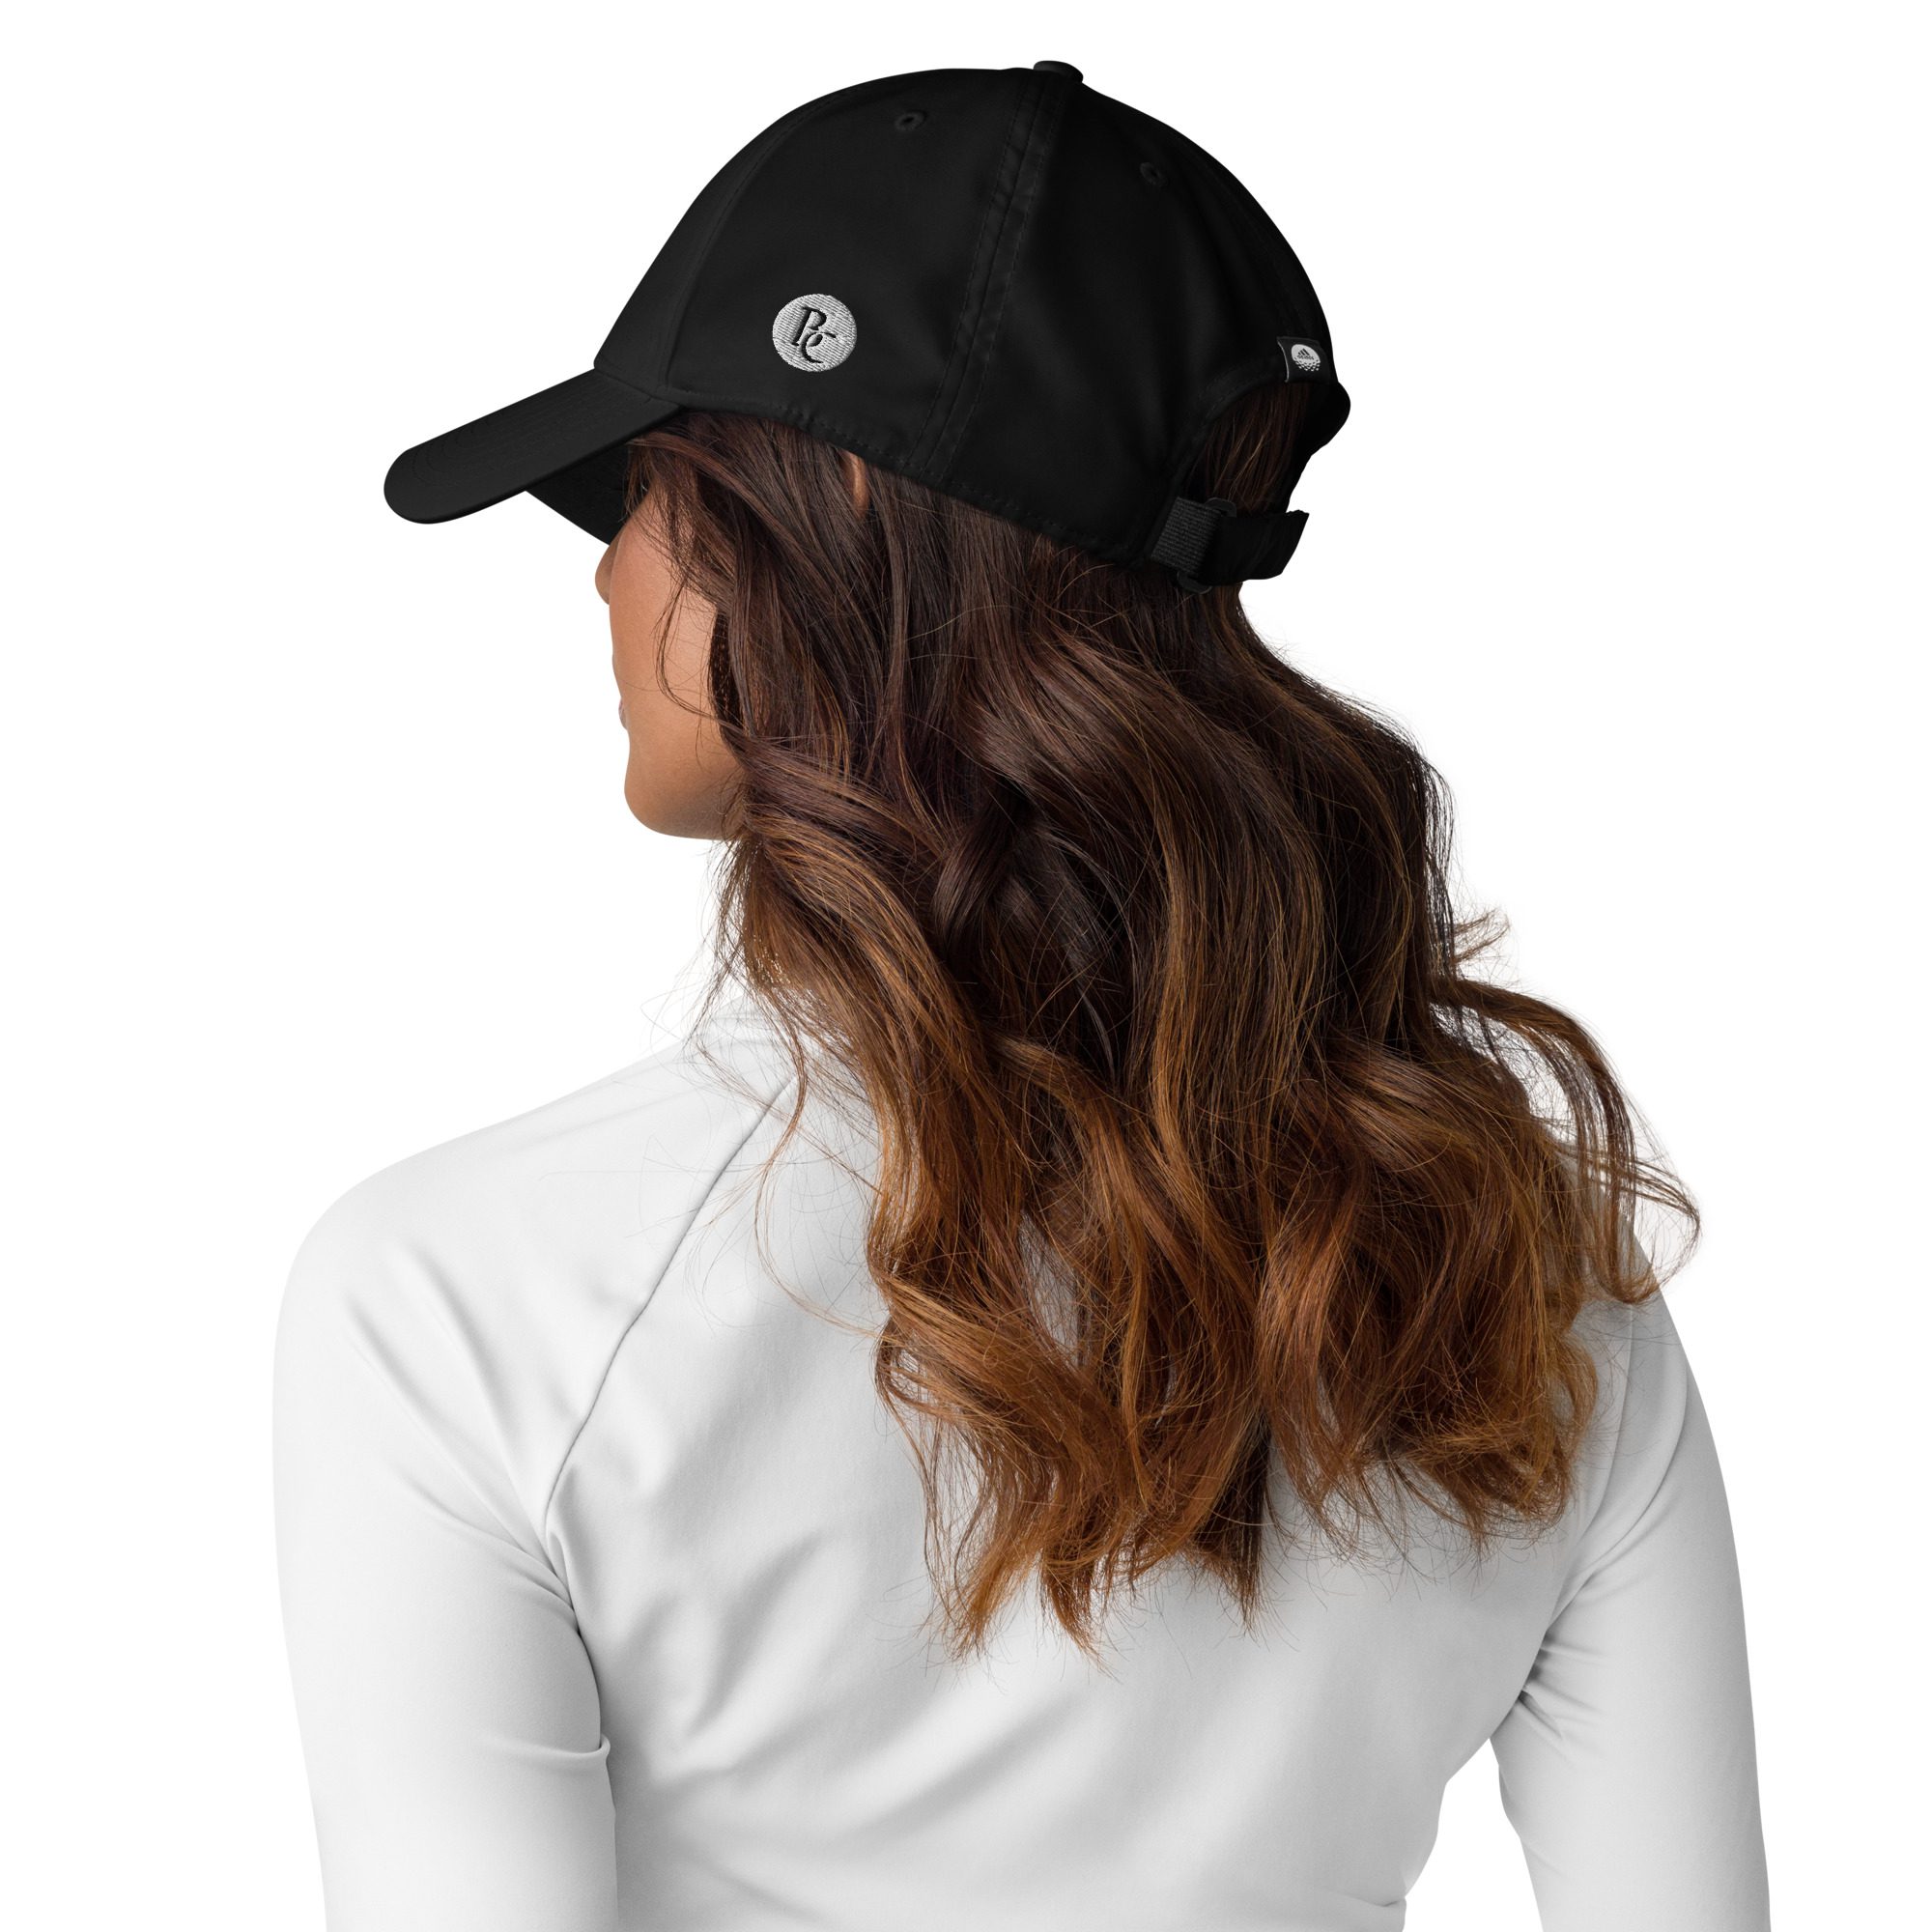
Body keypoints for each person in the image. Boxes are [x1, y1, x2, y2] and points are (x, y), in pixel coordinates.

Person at [271, 58, 1773, 1932]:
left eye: (649, 492)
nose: (603, 579)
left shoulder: (457, 1295)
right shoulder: (1513, 1276)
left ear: (817, 522)